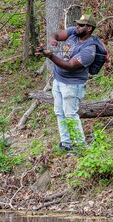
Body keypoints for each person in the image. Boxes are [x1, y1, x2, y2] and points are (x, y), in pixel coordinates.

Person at [39, 14, 97, 152]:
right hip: (58, 81)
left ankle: (81, 146)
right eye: (77, 24)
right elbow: (58, 33)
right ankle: (66, 143)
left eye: (81, 25)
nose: (77, 26)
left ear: (89, 28)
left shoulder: (89, 50)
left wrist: (51, 56)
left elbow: (69, 65)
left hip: (72, 85)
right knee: (59, 112)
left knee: (70, 114)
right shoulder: (74, 32)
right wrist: (53, 39)